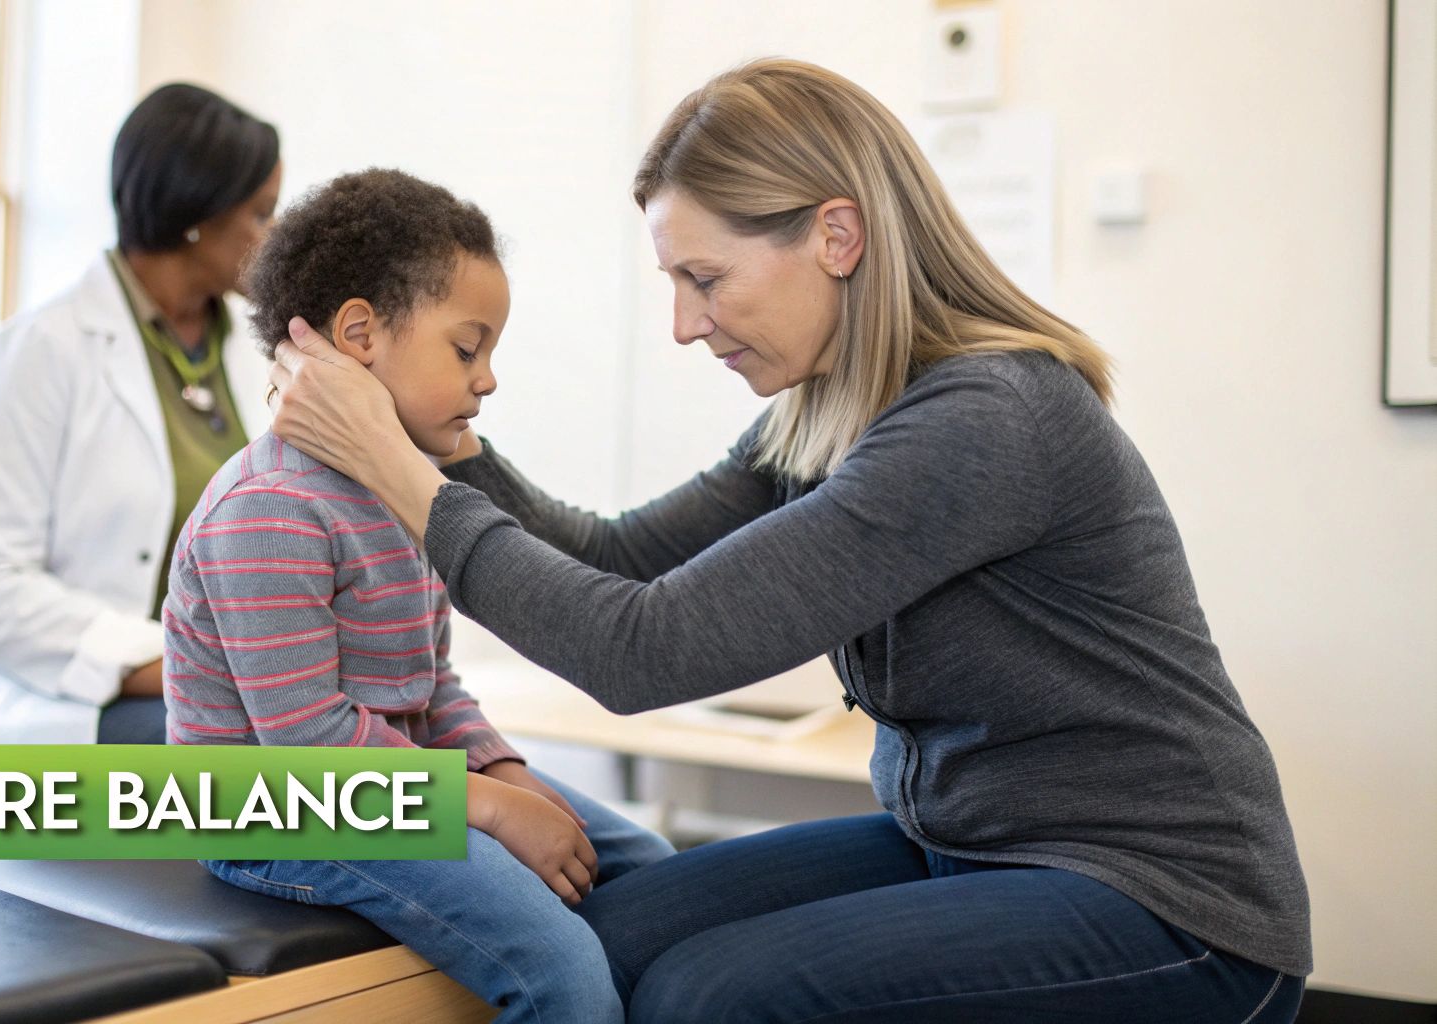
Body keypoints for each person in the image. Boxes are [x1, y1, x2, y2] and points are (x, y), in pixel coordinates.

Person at [260, 60, 1309, 1022]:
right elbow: (622, 559)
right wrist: (423, 427)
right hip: (965, 843)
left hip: (1165, 905)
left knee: (704, 999)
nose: (682, 323)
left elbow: (639, 649)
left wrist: (394, 472)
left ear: (835, 236)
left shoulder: (985, 419)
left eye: (704, 280)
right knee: (608, 941)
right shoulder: (824, 413)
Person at [167, 169, 673, 1024]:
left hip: (389, 786)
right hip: (285, 810)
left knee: (655, 870)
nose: (488, 381)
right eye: (467, 349)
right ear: (360, 333)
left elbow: (430, 685)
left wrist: (508, 771)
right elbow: (311, 751)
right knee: (562, 968)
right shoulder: (268, 510)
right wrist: (497, 808)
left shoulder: (408, 493)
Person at [0, 84, 280, 744]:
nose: (275, 235)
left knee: (399, 750)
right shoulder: (42, 349)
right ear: (195, 212)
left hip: (236, 685)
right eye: (261, 212)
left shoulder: (257, 355)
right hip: (71, 704)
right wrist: (177, 661)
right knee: (314, 775)